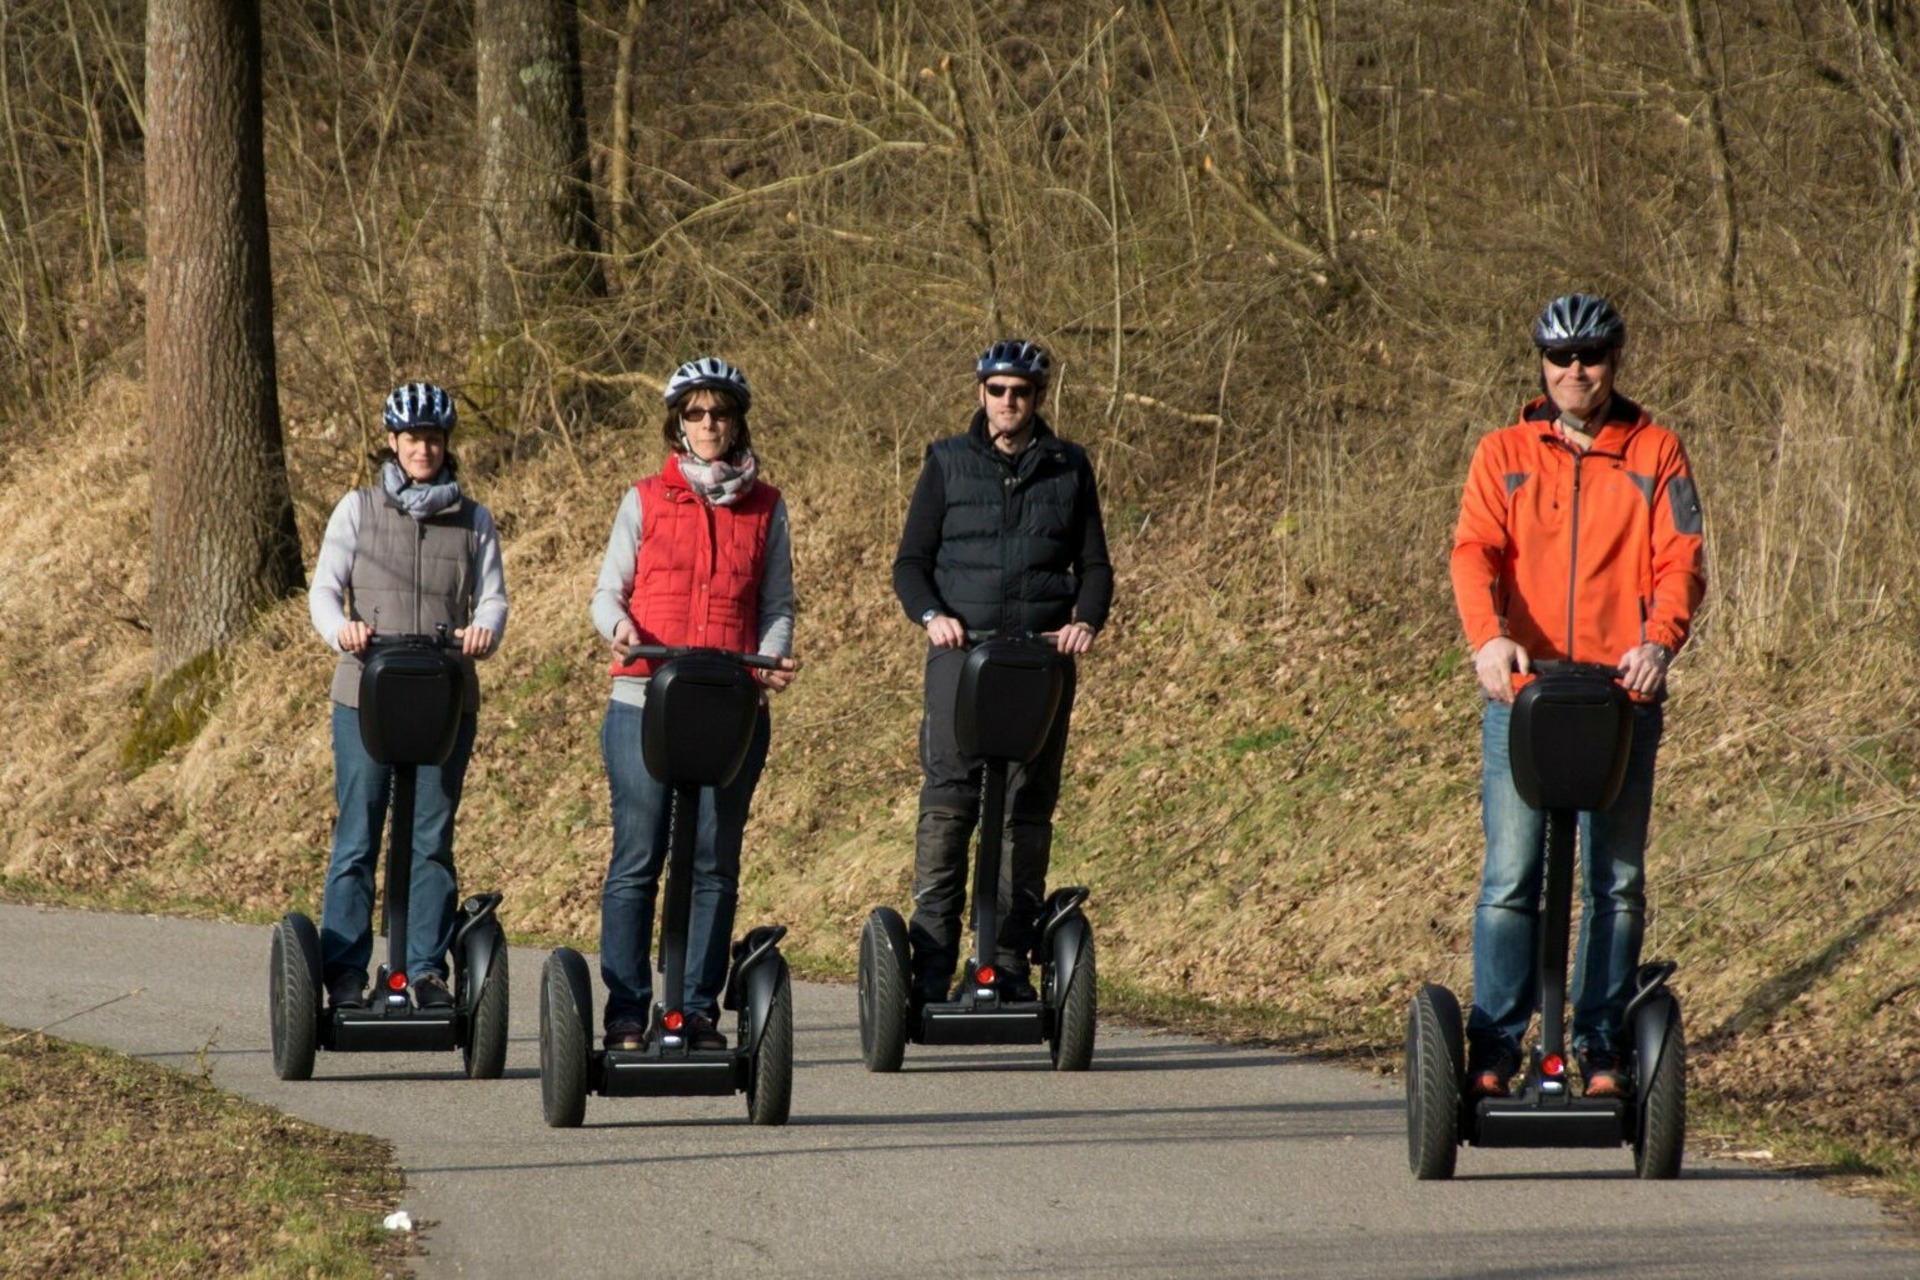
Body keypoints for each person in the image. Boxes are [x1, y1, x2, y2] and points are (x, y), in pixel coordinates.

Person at [1449, 294, 1705, 1100]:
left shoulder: (1656, 451)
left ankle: (1599, 1044)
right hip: (1524, 696)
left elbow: (1681, 560)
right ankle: (1493, 1044)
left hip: (1618, 697)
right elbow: (1472, 551)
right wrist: (1488, 637)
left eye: (1589, 356)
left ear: (1614, 361)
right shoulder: (1503, 452)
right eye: (1559, 358)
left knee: (1616, 879)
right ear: (1540, 364)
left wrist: (1658, 642)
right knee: (1512, 875)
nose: (1574, 371)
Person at [891, 338, 1113, 1006]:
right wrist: (931, 615)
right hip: (962, 657)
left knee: (1025, 809)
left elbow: (1095, 566)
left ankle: (1009, 960)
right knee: (951, 803)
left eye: (1019, 391)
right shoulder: (947, 462)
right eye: (996, 390)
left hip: (1038, 661)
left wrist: (1086, 621)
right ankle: (931, 962)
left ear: (1037, 397)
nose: (1007, 402)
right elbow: (911, 562)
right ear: (981, 393)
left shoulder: (1069, 467)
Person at [590, 357, 798, 1052]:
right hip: (643, 697)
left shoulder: (766, 505)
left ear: (737, 420)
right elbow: (605, 594)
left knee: (713, 860)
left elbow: (776, 604)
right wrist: (621, 630)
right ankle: (626, 1011)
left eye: (720, 412)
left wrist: (770, 660)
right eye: (696, 413)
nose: (709, 424)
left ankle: (697, 1009)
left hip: (729, 705)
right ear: (678, 422)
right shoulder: (645, 498)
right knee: (639, 856)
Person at [308, 381, 509, 1012]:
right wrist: (339, 628)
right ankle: (343, 971)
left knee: (431, 834)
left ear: (446, 444)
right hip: (366, 692)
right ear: (393, 443)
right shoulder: (358, 510)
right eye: (413, 437)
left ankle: (424, 970)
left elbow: (495, 597)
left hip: (445, 695)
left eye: (434, 437)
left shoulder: (474, 519)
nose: (424, 447)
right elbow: (323, 589)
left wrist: (485, 630)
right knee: (360, 832)